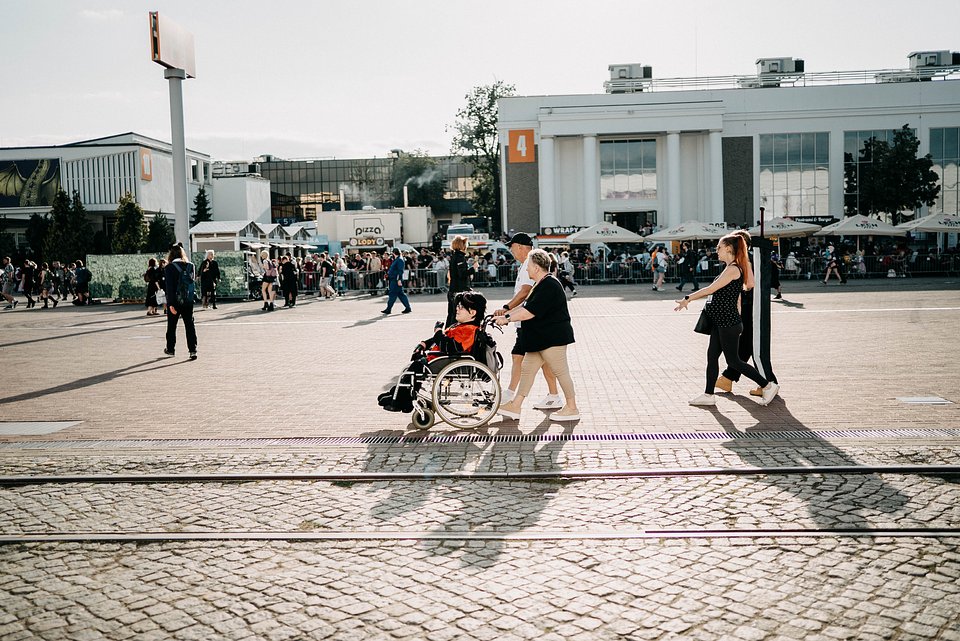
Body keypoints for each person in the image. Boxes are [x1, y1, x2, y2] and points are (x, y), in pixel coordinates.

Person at [674, 231, 779, 407]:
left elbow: (710, 289)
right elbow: (739, 292)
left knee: (734, 361)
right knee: (712, 356)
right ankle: (708, 395)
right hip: (721, 320)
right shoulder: (732, 267)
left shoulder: (733, 269)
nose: (717, 250)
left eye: (719, 247)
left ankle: (767, 385)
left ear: (729, 248)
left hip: (727, 322)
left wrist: (688, 298)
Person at [494, 249, 579, 422]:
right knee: (527, 370)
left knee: (561, 372)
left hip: (552, 339)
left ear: (537, 267)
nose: (527, 270)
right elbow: (525, 307)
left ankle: (572, 407)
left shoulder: (549, 285)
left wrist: (507, 319)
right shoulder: (540, 284)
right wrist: (506, 314)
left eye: (529, 266)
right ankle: (515, 406)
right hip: (540, 339)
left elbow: (529, 312)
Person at [378, 291, 487, 413]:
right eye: (457, 306)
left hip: (443, 361)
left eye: (461, 307)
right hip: (440, 359)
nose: (457, 309)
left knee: (413, 369)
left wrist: (438, 331)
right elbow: (443, 339)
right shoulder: (461, 326)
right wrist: (424, 343)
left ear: (472, 312)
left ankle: (400, 400)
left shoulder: (468, 330)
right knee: (412, 368)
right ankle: (397, 394)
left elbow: (450, 347)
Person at [494, 233, 562, 410]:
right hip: (525, 321)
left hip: (529, 321)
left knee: (527, 359)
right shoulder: (524, 265)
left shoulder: (528, 266)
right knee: (531, 359)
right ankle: (553, 395)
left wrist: (507, 309)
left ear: (521, 247)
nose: (511, 250)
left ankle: (512, 397)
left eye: (512, 246)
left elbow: (525, 292)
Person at [163, 243, 198, 360]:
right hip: (188, 300)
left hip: (175, 302)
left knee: (172, 326)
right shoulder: (190, 266)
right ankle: (192, 350)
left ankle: (170, 349)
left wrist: (171, 304)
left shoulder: (169, 268)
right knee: (189, 325)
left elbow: (170, 288)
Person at [445, 235, 476, 327]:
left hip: (453, 289)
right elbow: (462, 274)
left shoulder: (454, 256)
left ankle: (447, 334)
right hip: (459, 289)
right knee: (457, 314)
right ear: (461, 245)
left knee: (452, 313)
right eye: (465, 244)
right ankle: (451, 335)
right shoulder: (459, 257)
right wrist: (473, 268)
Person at [381, 247, 412, 314]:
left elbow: (400, 271)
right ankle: (408, 308)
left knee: (392, 294)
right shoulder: (397, 259)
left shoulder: (399, 260)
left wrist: (399, 279)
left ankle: (388, 309)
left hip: (395, 280)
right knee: (401, 294)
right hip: (394, 279)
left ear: (394, 253)